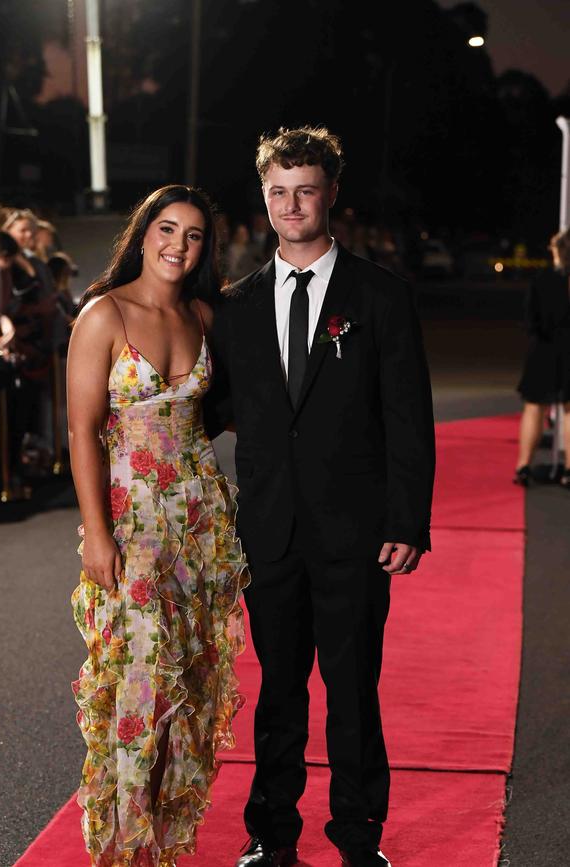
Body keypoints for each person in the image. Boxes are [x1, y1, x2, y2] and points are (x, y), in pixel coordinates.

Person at [204, 127, 436, 867]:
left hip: (357, 532)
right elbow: (209, 411)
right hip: (267, 531)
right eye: (278, 191)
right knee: (277, 693)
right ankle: (272, 834)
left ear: (331, 193)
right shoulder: (234, 306)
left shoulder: (380, 294)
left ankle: (359, 836)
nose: (292, 204)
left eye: (305, 189)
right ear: (264, 197)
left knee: (353, 693)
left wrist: (407, 518)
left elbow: (409, 415)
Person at [67, 184, 250, 867]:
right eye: (167, 228)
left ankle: (165, 850)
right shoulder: (103, 313)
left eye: (194, 234)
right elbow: (82, 430)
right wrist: (96, 533)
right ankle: (124, 852)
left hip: (202, 526)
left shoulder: (204, 313)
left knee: (191, 689)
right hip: (133, 527)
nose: (178, 244)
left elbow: (224, 412)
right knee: (141, 689)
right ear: (143, 234)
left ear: (205, 247)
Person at [514, 227, 570, 487]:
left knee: (534, 407)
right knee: (569, 411)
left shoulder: (541, 280)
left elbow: (530, 321)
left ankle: (523, 465)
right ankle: (569, 470)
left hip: (543, 350)